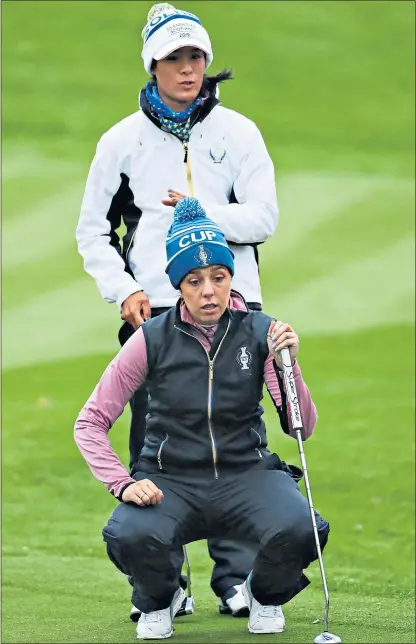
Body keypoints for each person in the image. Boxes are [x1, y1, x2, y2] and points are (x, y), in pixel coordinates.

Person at [75, 2, 279, 619]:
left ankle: (237, 579)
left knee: (238, 443)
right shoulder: (121, 141)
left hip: (236, 308)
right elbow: (93, 232)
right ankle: (166, 583)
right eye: (174, 58)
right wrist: (123, 288)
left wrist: (197, 211)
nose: (188, 69)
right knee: (154, 447)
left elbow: (264, 219)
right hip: (155, 317)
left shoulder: (238, 132)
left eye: (196, 57)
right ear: (152, 65)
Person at [75, 198, 330, 640]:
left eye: (219, 277)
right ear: (178, 285)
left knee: (302, 526)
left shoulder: (261, 331)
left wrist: (290, 364)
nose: (209, 291)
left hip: (247, 472)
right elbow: (90, 422)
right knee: (130, 534)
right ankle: (160, 597)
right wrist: (124, 483)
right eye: (195, 281)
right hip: (171, 478)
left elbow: (301, 426)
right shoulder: (149, 340)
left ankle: (263, 594)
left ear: (231, 277)